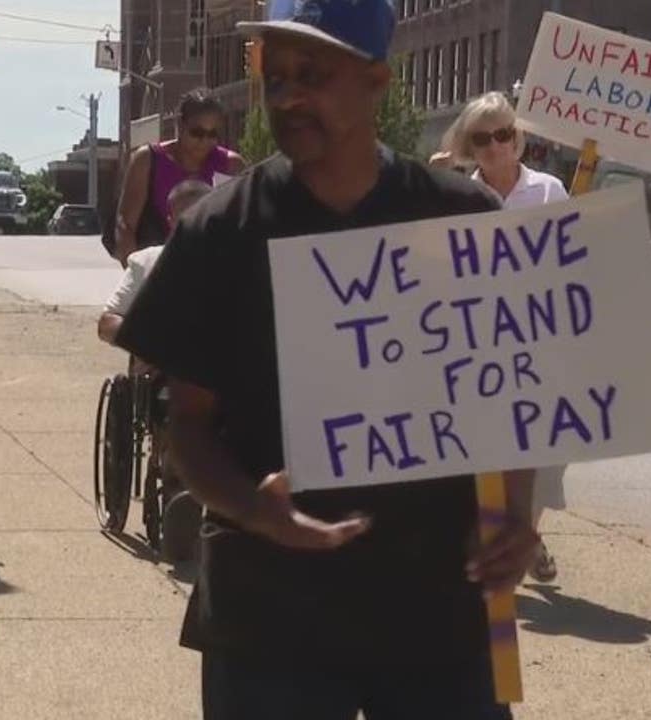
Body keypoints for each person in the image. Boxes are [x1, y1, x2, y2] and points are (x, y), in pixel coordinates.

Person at [115, 1, 538, 718]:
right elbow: (185, 424)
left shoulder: (460, 220)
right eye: (273, 77)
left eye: (312, 74)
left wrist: (516, 517)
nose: (286, 96)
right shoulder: (220, 232)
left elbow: (509, 401)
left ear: (376, 81)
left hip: (440, 613)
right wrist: (254, 508)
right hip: (270, 623)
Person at [445, 90, 570, 582]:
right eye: (482, 138)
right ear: (468, 147)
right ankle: (512, 542)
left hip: (539, 338)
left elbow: (568, 257)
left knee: (543, 450)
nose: (495, 146)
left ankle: (527, 533)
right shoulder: (453, 199)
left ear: (517, 139)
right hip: (479, 343)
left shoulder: (549, 192)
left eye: (503, 134)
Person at [113, 89, 246, 264]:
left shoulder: (231, 165)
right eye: (197, 133)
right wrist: (136, 273)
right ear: (180, 125)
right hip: (157, 266)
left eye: (213, 134)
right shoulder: (147, 160)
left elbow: (242, 227)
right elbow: (125, 226)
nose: (205, 141)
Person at [99, 179, 213, 346]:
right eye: (187, 217)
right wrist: (156, 341)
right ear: (171, 221)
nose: (196, 223)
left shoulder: (238, 263)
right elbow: (107, 324)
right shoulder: (146, 262)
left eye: (203, 215)